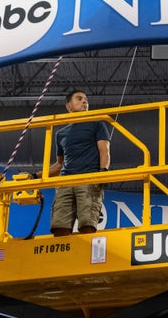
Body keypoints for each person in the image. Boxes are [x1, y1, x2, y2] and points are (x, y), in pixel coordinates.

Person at [30, 90, 111, 235]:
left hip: (88, 180)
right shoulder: (61, 133)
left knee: (87, 225)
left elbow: (104, 151)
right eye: (79, 99)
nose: (84, 101)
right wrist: (35, 176)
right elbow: (59, 165)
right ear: (69, 106)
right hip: (65, 183)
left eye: (86, 99)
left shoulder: (97, 124)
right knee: (59, 227)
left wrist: (103, 173)